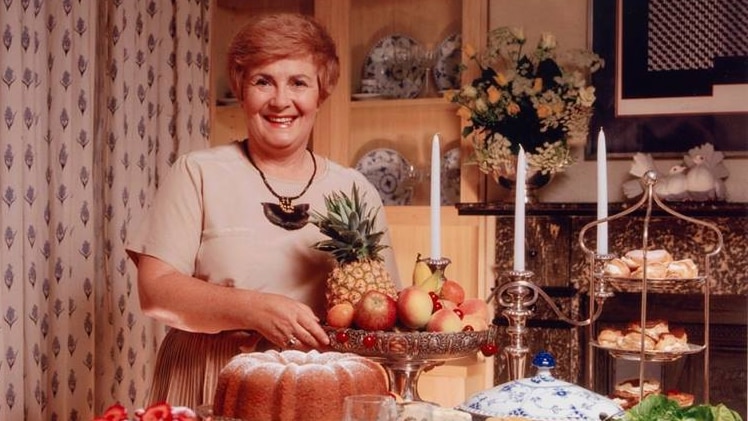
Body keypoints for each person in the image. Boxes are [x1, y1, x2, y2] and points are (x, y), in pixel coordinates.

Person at [125, 13, 401, 409]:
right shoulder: (197, 173)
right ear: (241, 89)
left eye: (299, 83)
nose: (280, 101)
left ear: (321, 92)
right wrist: (254, 308)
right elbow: (155, 291)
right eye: (263, 81)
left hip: (320, 394)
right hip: (210, 382)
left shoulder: (355, 190)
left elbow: (381, 313)